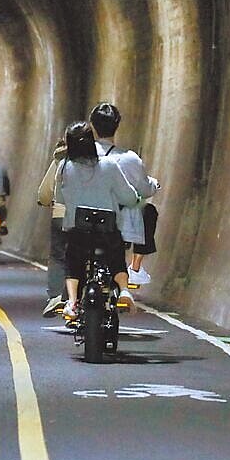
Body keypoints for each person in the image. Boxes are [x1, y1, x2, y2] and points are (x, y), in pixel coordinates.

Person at [58, 121, 139, 319]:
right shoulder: (110, 165)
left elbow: (59, 198)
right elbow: (128, 196)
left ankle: (72, 302)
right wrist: (134, 199)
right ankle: (125, 291)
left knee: (73, 262)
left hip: (78, 230)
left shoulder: (64, 167)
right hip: (107, 230)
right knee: (116, 259)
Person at [89, 103, 160, 285]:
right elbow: (144, 189)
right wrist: (154, 184)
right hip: (119, 223)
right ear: (117, 125)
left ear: (92, 125)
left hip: (83, 220)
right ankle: (135, 268)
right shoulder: (129, 158)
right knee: (149, 211)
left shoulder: (80, 157)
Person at [37, 137, 67, 317]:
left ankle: (56, 297)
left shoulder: (59, 161)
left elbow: (44, 193)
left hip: (62, 215)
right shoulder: (96, 160)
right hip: (93, 216)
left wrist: (44, 201)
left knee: (58, 256)